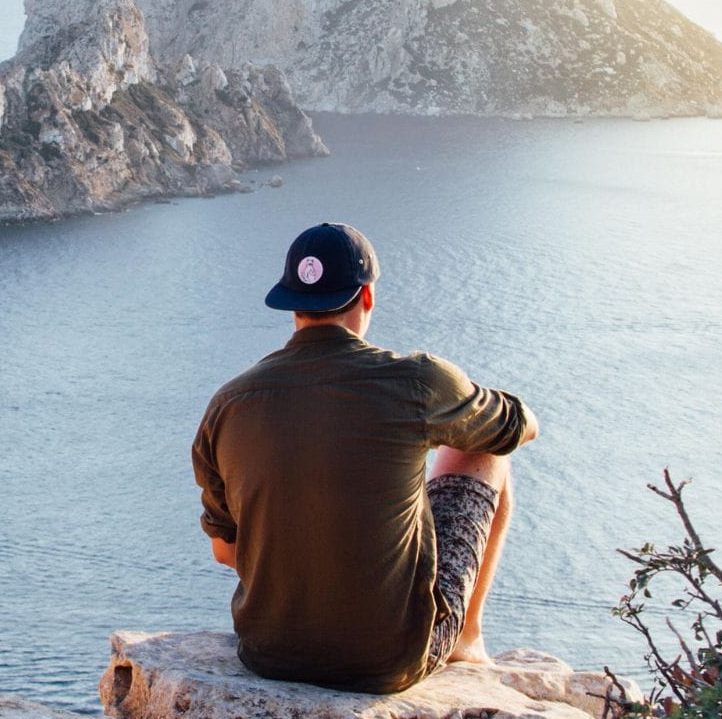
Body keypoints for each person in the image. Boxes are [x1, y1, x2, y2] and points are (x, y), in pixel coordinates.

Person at [191, 221, 538, 694]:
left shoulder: (228, 404)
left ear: (291, 304)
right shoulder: (417, 382)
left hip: (269, 654)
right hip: (387, 661)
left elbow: (225, 551)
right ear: (367, 297)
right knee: (486, 450)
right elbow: (518, 428)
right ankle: (465, 639)